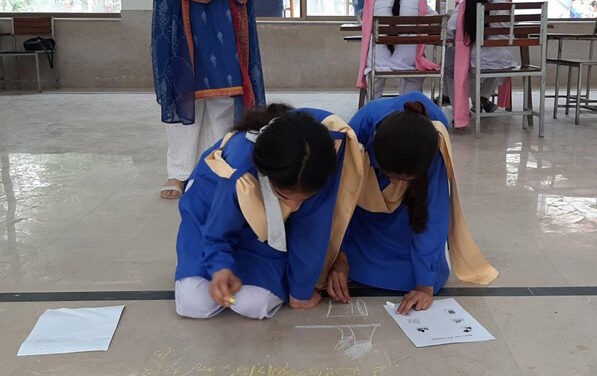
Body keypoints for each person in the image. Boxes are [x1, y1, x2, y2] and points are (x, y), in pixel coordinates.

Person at [175, 104, 364, 319]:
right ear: (266, 174)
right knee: (195, 303)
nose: (293, 207)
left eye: (303, 200)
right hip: (208, 221)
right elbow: (218, 226)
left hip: (267, 237)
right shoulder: (240, 168)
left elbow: (312, 228)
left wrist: (300, 292)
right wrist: (220, 267)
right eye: (284, 197)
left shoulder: (321, 159)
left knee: (254, 304)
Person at [326, 92, 498, 314]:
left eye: (404, 180)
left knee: (422, 272)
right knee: (348, 262)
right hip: (364, 211)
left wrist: (424, 286)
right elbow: (341, 196)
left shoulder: (434, 138)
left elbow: (434, 212)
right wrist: (338, 256)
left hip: (408, 214)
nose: (396, 184)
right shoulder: (362, 126)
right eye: (392, 176)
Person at [152, 0, 265, 199]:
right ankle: (180, 171)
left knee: (225, 93)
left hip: (223, 10)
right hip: (181, 9)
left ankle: (220, 167)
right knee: (183, 94)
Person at [442, 0, 518, 127]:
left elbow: (450, 30)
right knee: (492, 65)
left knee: (452, 69)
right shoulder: (505, 4)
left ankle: (460, 112)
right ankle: (482, 99)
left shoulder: (466, 4)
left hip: (478, 62)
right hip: (505, 62)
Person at [357, 0, 439, 99]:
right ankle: (409, 105)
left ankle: (373, 104)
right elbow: (436, 20)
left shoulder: (373, 2)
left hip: (377, 62)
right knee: (414, 76)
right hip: (408, 62)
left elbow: (364, 22)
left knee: (373, 74)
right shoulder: (418, 2)